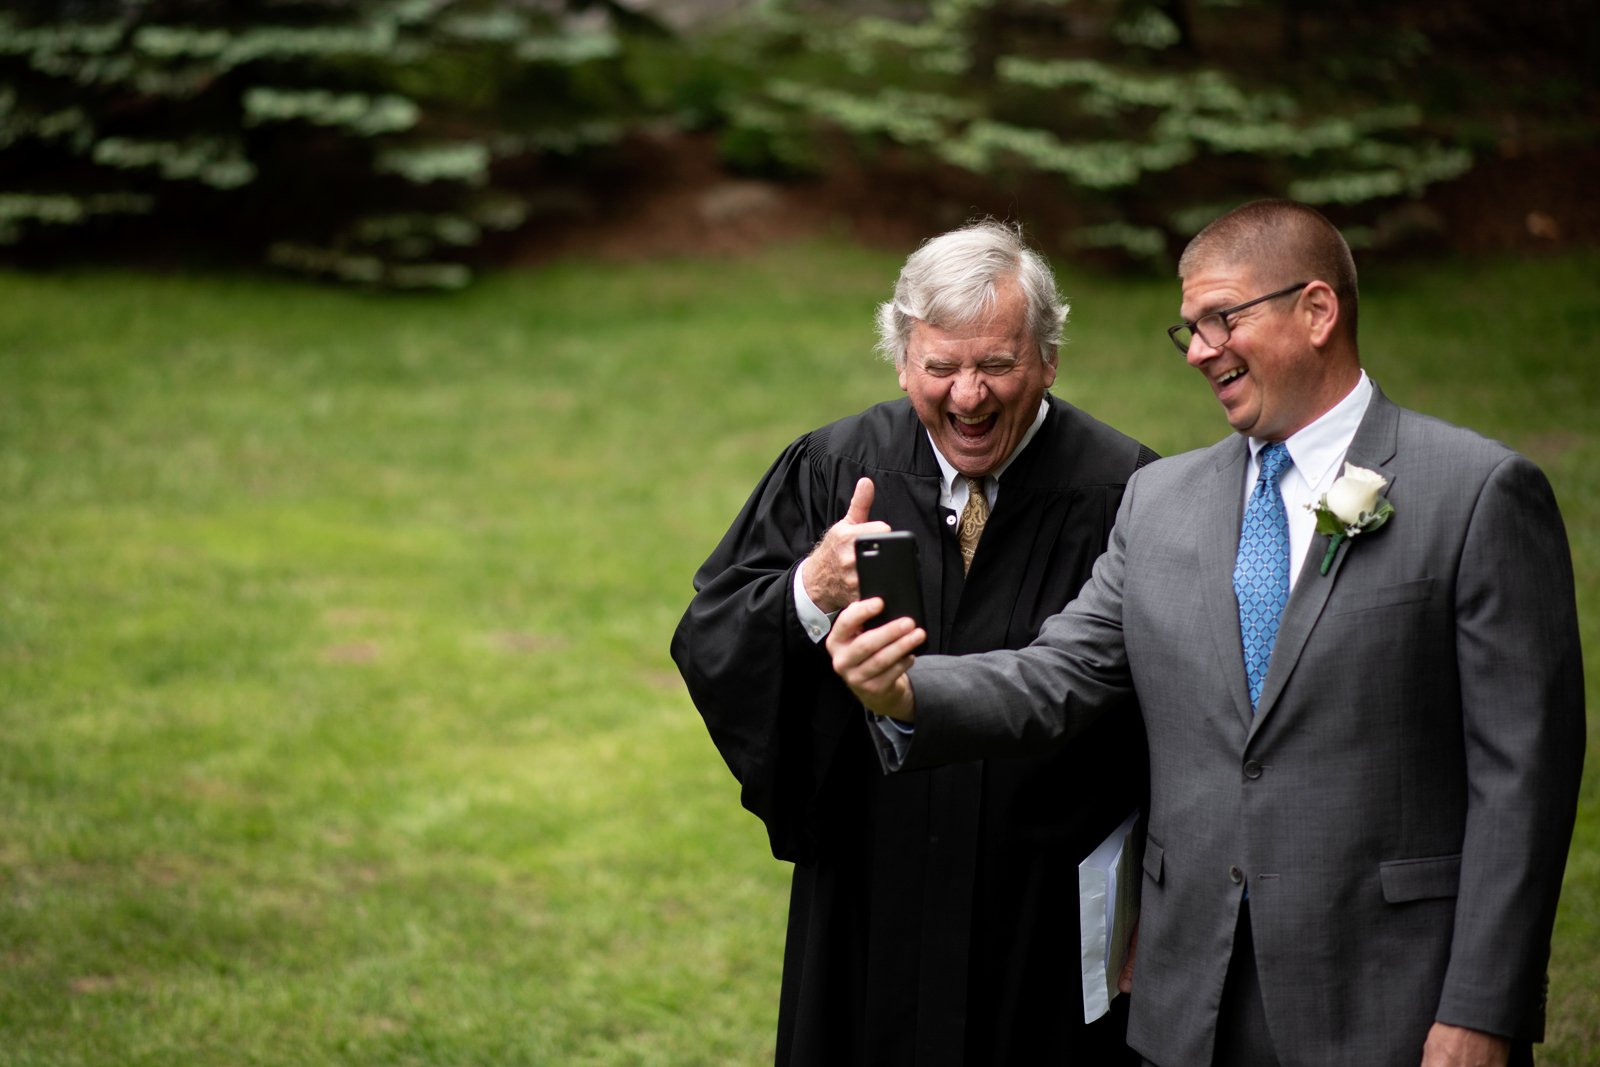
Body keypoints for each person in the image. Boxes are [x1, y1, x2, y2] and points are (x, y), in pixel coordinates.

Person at [829, 200, 1585, 1067]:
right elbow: (1056, 674)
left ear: (1316, 310)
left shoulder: (1476, 492)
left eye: (1222, 318)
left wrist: (1482, 1008)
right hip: (1194, 1002)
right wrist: (904, 689)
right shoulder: (1160, 502)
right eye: (1187, 329)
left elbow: (1523, 779)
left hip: (1393, 1000)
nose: (1198, 350)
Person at [671, 220, 1158, 1065]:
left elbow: (1180, 710)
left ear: (1048, 358)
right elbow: (714, 634)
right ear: (904, 363)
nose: (968, 396)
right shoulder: (834, 468)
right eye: (941, 368)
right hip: (872, 886)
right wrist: (808, 591)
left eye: (997, 365)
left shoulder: (1125, 494)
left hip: (1042, 906)